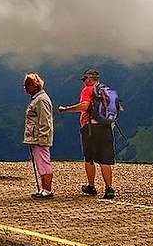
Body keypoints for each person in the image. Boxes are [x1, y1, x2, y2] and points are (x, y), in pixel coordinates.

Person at [58, 67, 115, 199]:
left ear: (90, 79)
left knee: (89, 158)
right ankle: (109, 188)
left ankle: (91, 186)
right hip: (106, 127)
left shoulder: (88, 90)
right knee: (105, 159)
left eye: (85, 79)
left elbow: (84, 105)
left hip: (90, 127)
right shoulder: (106, 91)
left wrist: (66, 109)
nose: (84, 82)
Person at [22, 73, 54, 199]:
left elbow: (45, 120)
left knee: (44, 162)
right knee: (40, 163)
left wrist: (42, 138)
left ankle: (47, 190)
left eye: (27, 86)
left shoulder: (41, 100)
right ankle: (44, 189)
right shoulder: (38, 98)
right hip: (36, 137)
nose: (26, 89)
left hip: (40, 138)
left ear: (34, 86)